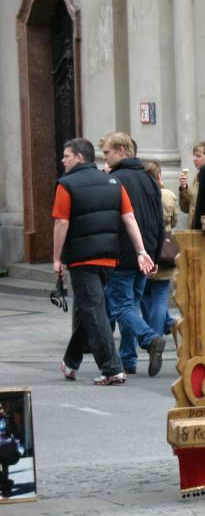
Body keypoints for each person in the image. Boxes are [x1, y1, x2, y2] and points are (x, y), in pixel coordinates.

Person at [52, 138, 155, 385]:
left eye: (66, 156)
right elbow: (129, 218)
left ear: (79, 157)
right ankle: (71, 361)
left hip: (82, 259)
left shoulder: (66, 185)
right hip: (110, 257)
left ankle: (111, 369)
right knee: (93, 308)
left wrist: (56, 258)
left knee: (93, 310)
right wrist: (141, 251)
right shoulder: (113, 182)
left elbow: (61, 222)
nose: (62, 161)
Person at [102, 132, 167, 376]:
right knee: (133, 304)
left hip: (123, 253)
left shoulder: (116, 179)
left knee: (122, 307)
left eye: (107, 153)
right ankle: (127, 359)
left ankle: (150, 340)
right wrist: (155, 255)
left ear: (121, 150)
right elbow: (158, 220)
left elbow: (112, 219)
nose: (105, 159)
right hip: (146, 252)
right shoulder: (148, 179)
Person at [141, 161, 179, 347]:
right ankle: (159, 332)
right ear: (159, 176)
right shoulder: (168, 195)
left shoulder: (140, 195)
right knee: (159, 296)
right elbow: (175, 219)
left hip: (144, 248)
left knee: (144, 294)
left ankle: (154, 335)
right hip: (165, 249)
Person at [178, 140, 205, 226]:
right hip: (194, 229)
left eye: (198, 156)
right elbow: (186, 209)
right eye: (194, 156)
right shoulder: (197, 178)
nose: (194, 159)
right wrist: (183, 189)